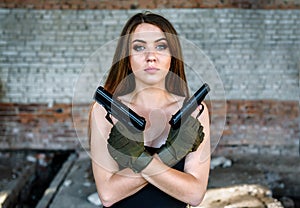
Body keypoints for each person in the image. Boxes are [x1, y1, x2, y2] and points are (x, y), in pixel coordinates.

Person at [89, 11, 211, 208]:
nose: (151, 57)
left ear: (173, 55)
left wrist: (138, 160)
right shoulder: (105, 112)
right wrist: (170, 154)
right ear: (127, 57)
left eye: (161, 46)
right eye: (139, 47)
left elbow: (195, 194)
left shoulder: (195, 112)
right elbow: (108, 194)